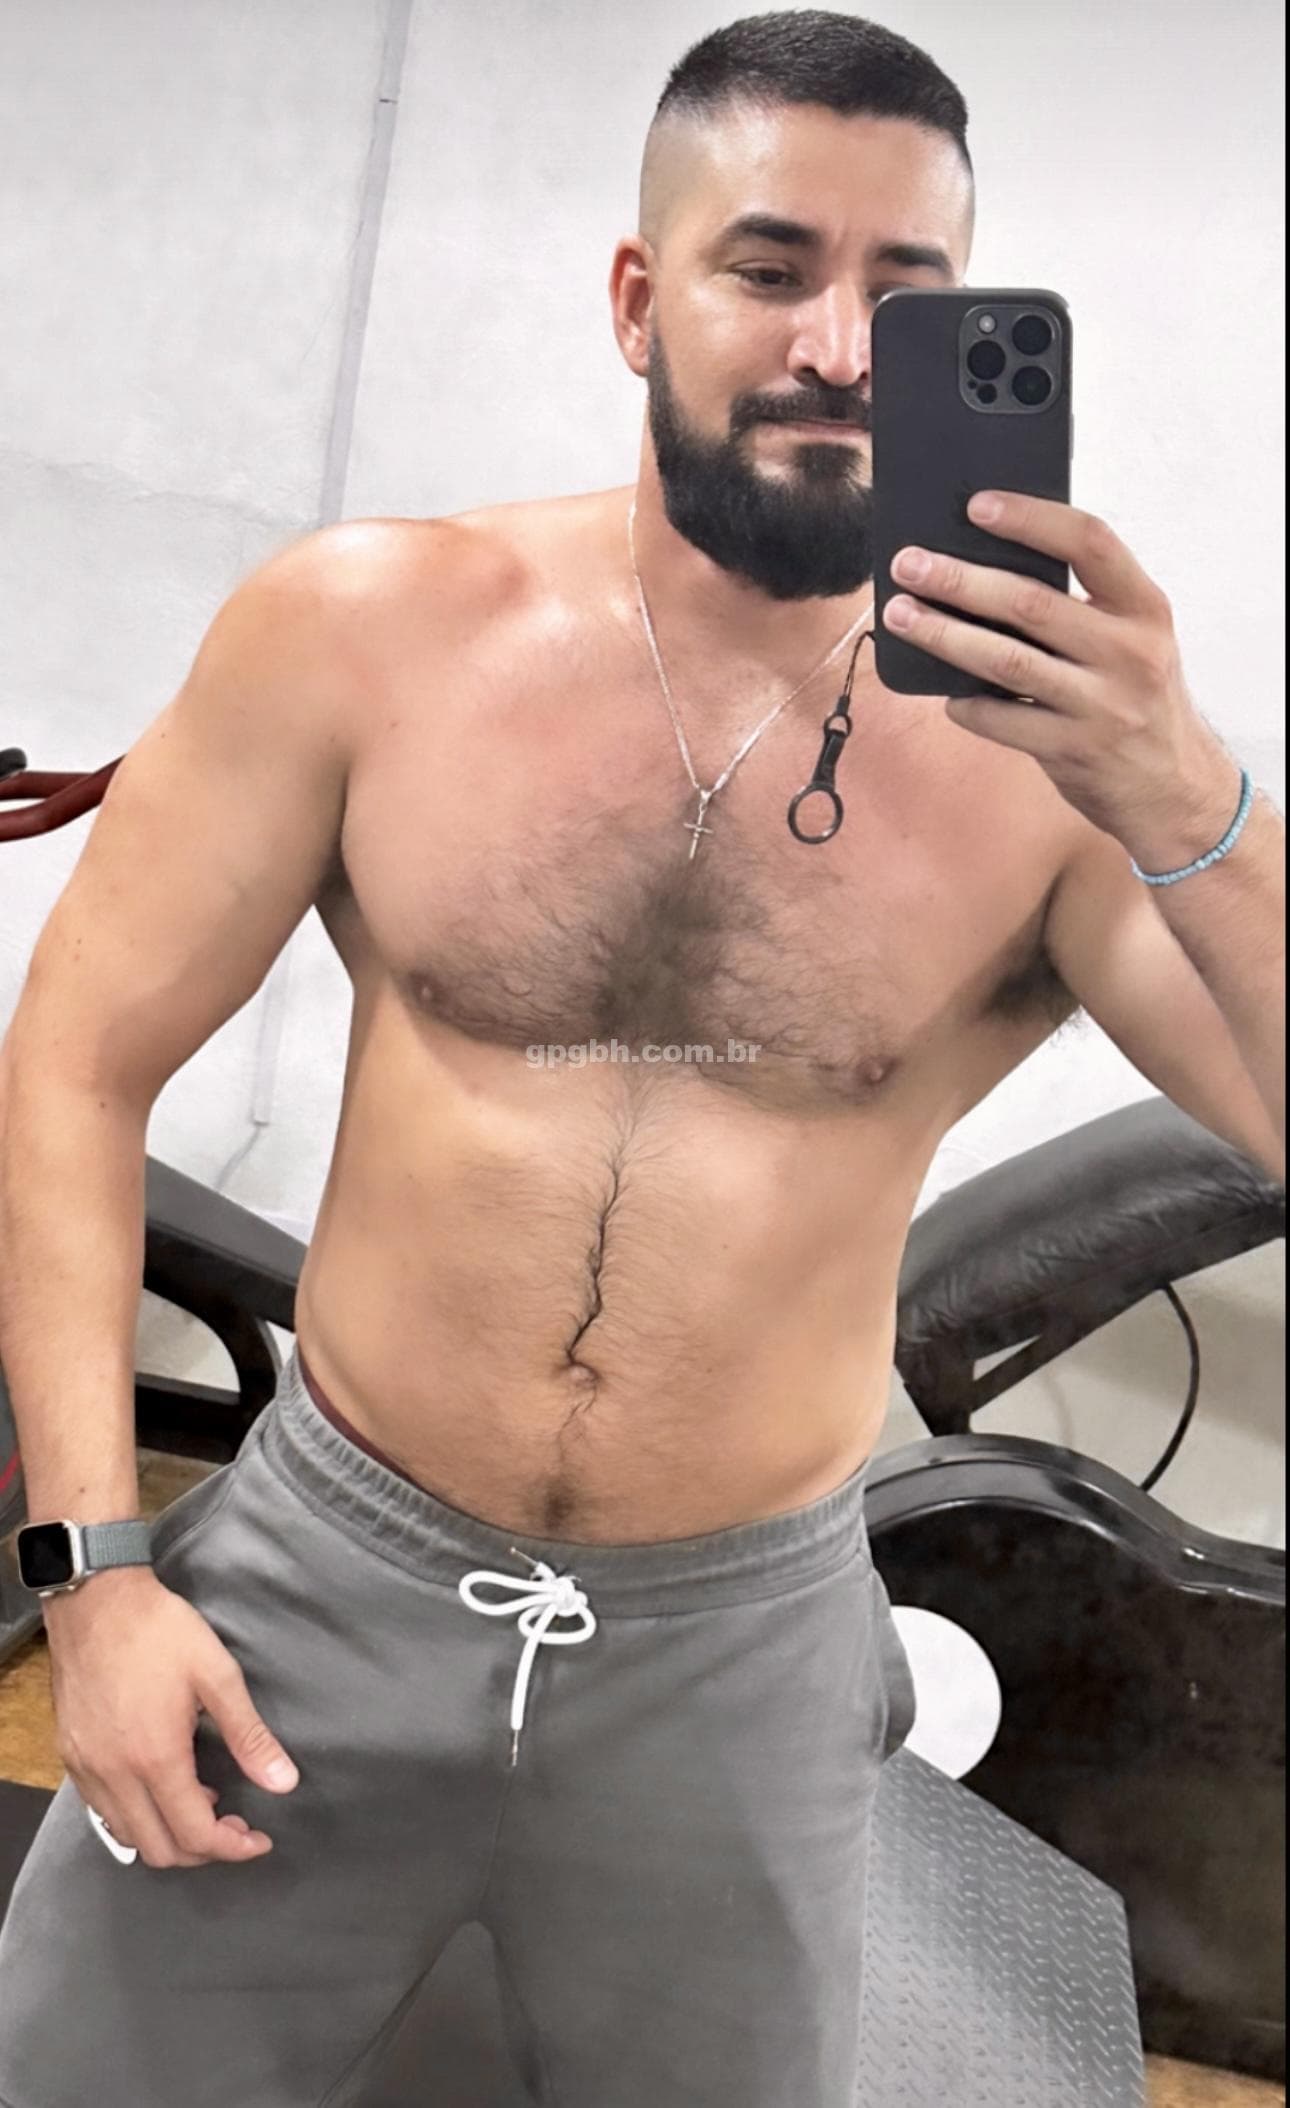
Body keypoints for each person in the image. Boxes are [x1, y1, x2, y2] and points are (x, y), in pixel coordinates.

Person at [0, 12, 1282, 2108]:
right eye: (770, 268)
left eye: (908, 296)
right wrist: (94, 1575)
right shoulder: (365, 634)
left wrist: (1187, 795)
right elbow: (71, 1063)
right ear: (635, 298)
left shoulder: (1062, 782)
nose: (840, 349)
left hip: (737, 1663)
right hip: (320, 1580)